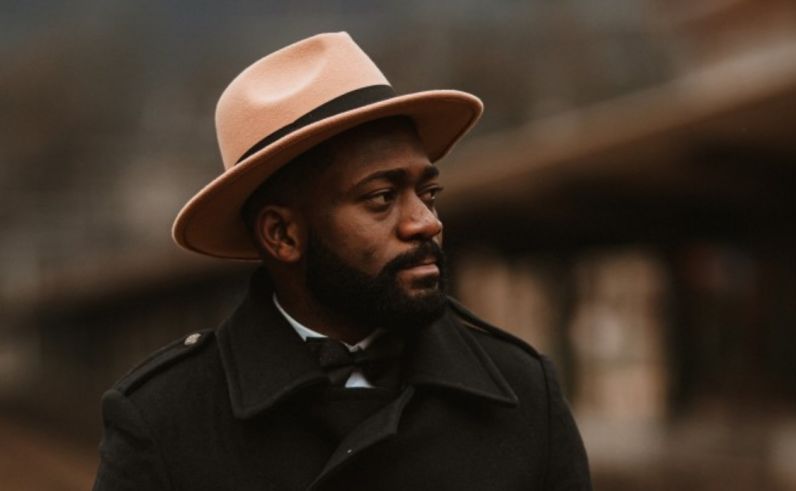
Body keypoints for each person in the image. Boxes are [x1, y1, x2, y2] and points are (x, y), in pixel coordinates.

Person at [93, 32, 592, 491]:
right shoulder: (164, 419)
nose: (425, 222)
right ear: (282, 234)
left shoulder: (523, 392)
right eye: (381, 197)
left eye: (429, 192)